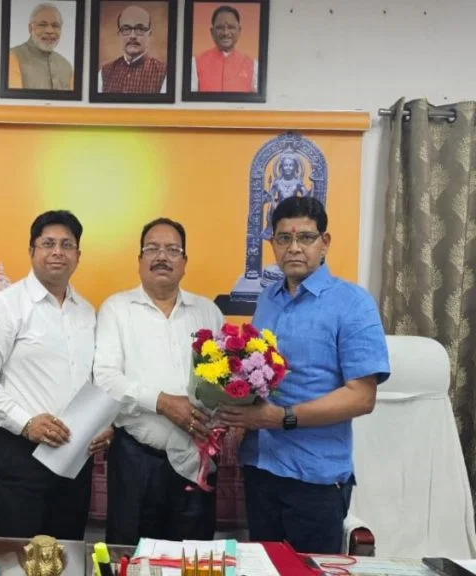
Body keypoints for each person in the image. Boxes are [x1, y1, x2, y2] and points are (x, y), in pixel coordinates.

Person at [217, 196, 390, 554]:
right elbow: (257, 377)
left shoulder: (353, 303)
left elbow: (362, 396)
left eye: (306, 238)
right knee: (264, 568)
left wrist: (282, 418)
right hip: (260, 468)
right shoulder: (267, 299)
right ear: (273, 244)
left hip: (315, 478)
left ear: (324, 242)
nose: (294, 248)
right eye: (284, 238)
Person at [0, 210, 111, 540]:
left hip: (74, 459)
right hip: (18, 456)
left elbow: (94, 380)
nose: (58, 252)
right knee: (15, 558)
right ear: (31, 251)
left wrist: (103, 424)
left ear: (78, 255)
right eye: (48, 243)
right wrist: (26, 423)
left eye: (66, 245)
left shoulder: (86, 312)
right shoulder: (6, 305)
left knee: (67, 554)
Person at [94, 218, 223, 544]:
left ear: (184, 262)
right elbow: (106, 378)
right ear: (140, 260)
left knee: (192, 555)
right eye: (152, 249)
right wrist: (163, 403)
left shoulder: (208, 312)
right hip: (136, 459)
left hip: (196, 456)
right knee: (130, 554)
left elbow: (223, 378)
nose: (162, 256)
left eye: (172, 250)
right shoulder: (117, 308)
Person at [97, 4, 167, 94]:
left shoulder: (163, 73)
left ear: (149, 34)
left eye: (140, 29)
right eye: (126, 29)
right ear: (119, 34)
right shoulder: (104, 73)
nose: (133, 36)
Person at [190, 5, 258, 93]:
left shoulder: (253, 66)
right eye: (220, 27)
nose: (225, 33)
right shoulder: (194, 64)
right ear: (212, 32)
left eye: (231, 27)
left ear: (239, 31)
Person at [7, 3, 74, 90]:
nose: (49, 31)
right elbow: (12, 98)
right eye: (42, 25)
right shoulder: (13, 57)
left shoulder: (66, 66)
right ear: (30, 28)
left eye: (55, 25)